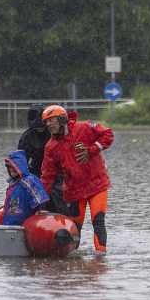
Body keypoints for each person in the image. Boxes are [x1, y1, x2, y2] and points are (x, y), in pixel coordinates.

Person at [40, 105, 114, 254]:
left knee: (98, 221)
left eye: (51, 120)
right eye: (46, 122)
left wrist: (91, 150)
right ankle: (73, 257)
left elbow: (108, 134)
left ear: (62, 119)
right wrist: (40, 202)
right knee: (75, 226)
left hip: (97, 186)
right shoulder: (50, 147)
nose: (48, 124)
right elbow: (47, 176)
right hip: (74, 191)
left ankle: (100, 258)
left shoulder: (84, 127)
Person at [2, 150, 50, 225]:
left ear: (20, 166)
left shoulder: (30, 181)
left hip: (23, 223)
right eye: (9, 167)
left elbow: (41, 199)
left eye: (13, 167)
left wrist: (41, 210)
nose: (11, 170)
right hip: (10, 221)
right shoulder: (12, 182)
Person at [17, 104, 49, 177]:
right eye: (37, 128)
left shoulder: (54, 131)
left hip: (56, 170)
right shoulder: (26, 137)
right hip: (36, 170)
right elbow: (21, 161)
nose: (40, 129)